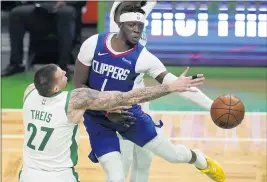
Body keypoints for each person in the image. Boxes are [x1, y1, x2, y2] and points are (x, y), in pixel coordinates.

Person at [74, 5, 226, 182]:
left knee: (172, 155)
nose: (137, 30)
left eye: (141, 26)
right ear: (119, 24)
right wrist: (106, 108)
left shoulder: (143, 57)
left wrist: (212, 106)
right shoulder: (93, 44)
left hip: (128, 115)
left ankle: (199, 159)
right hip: (97, 119)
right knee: (117, 175)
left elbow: (176, 85)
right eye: (132, 25)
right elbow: (79, 86)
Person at [19, 63, 202, 182]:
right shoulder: (75, 100)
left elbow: (42, 88)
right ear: (57, 87)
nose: (66, 72)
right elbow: (129, 97)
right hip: (59, 176)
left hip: (27, 174)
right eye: (62, 75)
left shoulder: (29, 92)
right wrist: (170, 86)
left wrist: (99, 106)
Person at [1, 1, 79, 78]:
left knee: (65, 14)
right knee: (16, 13)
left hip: (64, 8)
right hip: (39, 7)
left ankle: (63, 66)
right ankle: (16, 64)